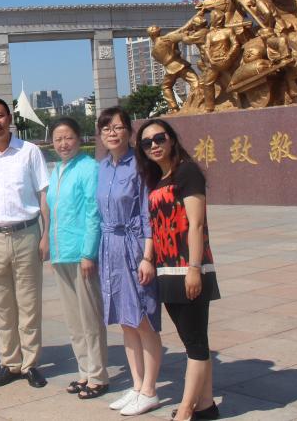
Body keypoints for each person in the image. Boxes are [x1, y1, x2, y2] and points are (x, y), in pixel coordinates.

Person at [136, 119, 221, 421]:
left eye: (159, 138)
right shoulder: (158, 179)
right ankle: (206, 405)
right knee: (192, 339)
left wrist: (194, 268)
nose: (154, 145)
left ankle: (185, 411)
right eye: (147, 142)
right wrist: (150, 259)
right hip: (167, 270)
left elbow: (196, 224)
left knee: (195, 343)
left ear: (172, 139)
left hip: (189, 268)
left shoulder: (187, 172)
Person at [0, 97, 51, 388]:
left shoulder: (29, 152)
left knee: (29, 303)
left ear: (9, 118)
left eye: (0, 115)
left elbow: (44, 195)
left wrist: (46, 234)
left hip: (26, 233)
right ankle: (10, 362)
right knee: (2, 304)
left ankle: (30, 364)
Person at [97, 107, 162, 416]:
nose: (112, 133)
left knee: (142, 319)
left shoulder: (140, 164)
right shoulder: (102, 167)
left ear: (129, 131)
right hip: (109, 247)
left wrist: (148, 257)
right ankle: (136, 385)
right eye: (106, 128)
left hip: (134, 247)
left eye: (118, 127)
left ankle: (150, 390)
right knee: (125, 320)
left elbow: (148, 215)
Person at [45, 117, 108, 400]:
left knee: (90, 318)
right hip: (61, 254)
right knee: (73, 320)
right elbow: (53, 212)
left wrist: (88, 253)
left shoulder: (89, 168)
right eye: (58, 139)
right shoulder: (57, 170)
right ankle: (84, 371)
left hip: (82, 254)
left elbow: (94, 212)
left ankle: (98, 376)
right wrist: (50, 247)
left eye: (68, 137)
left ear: (80, 139)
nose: (63, 144)